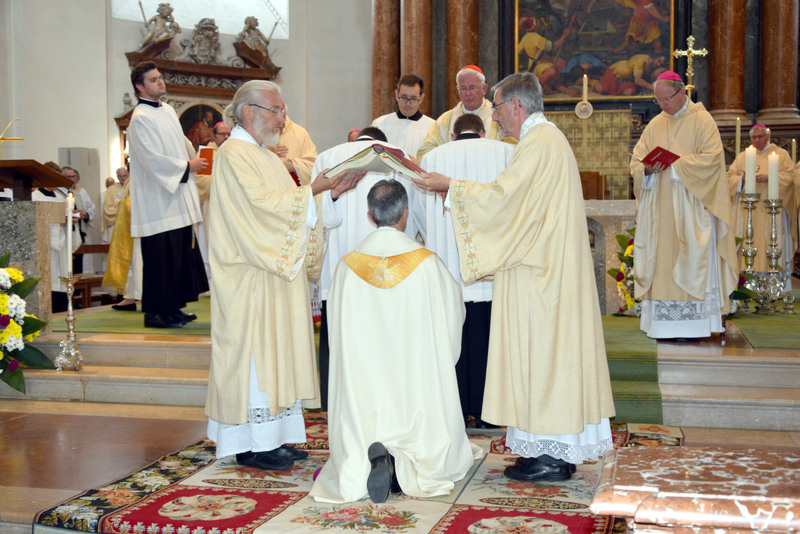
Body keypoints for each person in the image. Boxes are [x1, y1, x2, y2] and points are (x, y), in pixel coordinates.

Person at [413, 72, 616, 482]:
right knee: (538, 361)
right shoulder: (541, 141)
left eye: (498, 107)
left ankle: (553, 455)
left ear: (516, 106)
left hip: (542, 277)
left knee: (544, 360)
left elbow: (505, 200)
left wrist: (451, 186)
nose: (494, 115)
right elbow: (514, 202)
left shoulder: (539, 143)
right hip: (540, 268)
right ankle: (539, 448)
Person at [204, 80, 360, 472]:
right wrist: (315, 188)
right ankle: (251, 445)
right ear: (249, 112)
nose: (282, 119)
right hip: (250, 279)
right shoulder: (233, 154)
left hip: (274, 276)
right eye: (276, 110)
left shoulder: (267, 156)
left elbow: (291, 209)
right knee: (257, 360)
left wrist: (331, 194)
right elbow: (260, 210)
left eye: (282, 111)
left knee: (277, 358)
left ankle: (272, 439)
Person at [310, 180, 479, 504]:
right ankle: (403, 465)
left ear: (370, 216)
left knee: (365, 406)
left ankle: (376, 458)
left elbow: (337, 335)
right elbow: (453, 316)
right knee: (429, 440)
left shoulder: (346, 267)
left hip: (365, 389)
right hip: (414, 384)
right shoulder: (428, 264)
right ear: (405, 214)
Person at [416, 113, 515, 428]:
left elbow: (420, 213)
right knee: (488, 342)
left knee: (452, 342)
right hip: (493, 269)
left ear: (451, 135)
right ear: (484, 131)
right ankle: (490, 415)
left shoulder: (432, 159)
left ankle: (456, 411)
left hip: (448, 268)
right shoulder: (506, 152)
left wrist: (436, 239)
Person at [311, 126, 419, 412]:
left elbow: (315, 213)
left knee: (338, 339)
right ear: (383, 141)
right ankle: (385, 400)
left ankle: (334, 400)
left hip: (339, 270)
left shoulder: (326, 157)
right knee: (383, 337)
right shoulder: (397, 156)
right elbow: (409, 212)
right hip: (388, 269)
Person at [630, 71, 738, 339]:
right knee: (662, 265)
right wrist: (647, 170)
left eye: (666, 99)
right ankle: (662, 326)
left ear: (682, 93)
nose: (662, 105)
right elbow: (636, 160)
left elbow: (712, 160)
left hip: (691, 209)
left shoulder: (703, 120)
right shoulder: (655, 124)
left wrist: (675, 165)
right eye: (658, 101)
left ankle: (694, 326)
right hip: (660, 213)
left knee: (691, 262)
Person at [127, 61, 209, 329]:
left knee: (178, 257)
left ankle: (173, 309)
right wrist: (187, 167)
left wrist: (199, 157)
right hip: (158, 202)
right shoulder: (140, 118)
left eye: (160, 77)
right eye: (153, 80)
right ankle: (155, 314)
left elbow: (182, 145)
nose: (160, 82)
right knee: (160, 260)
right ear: (139, 86)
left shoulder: (169, 110)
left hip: (177, 199)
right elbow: (151, 160)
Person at [727, 125, 797, 281]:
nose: (757, 140)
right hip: (747, 212)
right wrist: (742, 180)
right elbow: (729, 178)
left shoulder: (780, 155)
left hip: (773, 212)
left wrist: (772, 177)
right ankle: (748, 280)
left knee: (770, 241)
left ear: (768, 136)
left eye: (760, 137)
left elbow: (791, 178)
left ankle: (774, 281)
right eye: (754, 137)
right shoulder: (743, 157)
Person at [417, 65, 514, 159]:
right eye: (463, 88)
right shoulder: (445, 120)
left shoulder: (499, 117)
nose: (468, 93)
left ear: (484, 89)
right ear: (457, 90)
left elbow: (512, 148)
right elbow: (425, 152)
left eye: (472, 88)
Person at [32, 162, 81, 313]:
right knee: (48, 279)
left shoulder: (61, 197)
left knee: (60, 279)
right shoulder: (34, 196)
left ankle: (62, 310)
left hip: (61, 245)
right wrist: (58, 221)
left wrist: (71, 221)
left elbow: (66, 217)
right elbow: (35, 222)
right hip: (45, 246)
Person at [371, 74, 435, 159]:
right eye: (404, 97)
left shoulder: (432, 127)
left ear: (421, 98)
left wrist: (418, 164)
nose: (408, 104)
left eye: (413, 98)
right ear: (397, 95)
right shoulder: (380, 124)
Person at [267, 103, 318, 186]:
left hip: (295, 189)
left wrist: (293, 165)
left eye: (282, 114)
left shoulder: (300, 133)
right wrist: (269, 153)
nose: (279, 120)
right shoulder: (259, 132)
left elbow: (314, 166)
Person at [61, 166, 95, 274]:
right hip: (65, 234)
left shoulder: (78, 193)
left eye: (74, 177)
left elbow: (91, 207)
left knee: (78, 266)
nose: (72, 179)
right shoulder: (59, 193)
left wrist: (85, 214)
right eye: (68, 177)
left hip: (79, 232)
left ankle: (77, 284)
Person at [595, 54, 665, 97]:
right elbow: (638, 80)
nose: (658, 64)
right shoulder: (641, 60)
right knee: (602, 91)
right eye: (658, 61)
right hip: (615, 73)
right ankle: (591, 81)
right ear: (655, 57)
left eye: (660, 64)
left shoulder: (652, 66)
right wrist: (653, 88)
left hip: (628, 80)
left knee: (629, 93)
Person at [101, 168, 127, 243]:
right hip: (116, 223)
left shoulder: (133, 187)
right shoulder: (111, 190)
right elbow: (108, 208)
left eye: (125, 176)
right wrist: (122, 212)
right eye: (120, 176)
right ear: (117, 177)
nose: (123, 178)